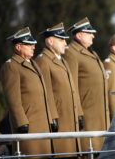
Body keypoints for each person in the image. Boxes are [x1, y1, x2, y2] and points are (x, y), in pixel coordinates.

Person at [0, 27, 55, 155]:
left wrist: (51, 119)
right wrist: (21, 122)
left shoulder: (33, 64)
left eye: (33, 44)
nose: (33, 47)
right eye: (29, 44)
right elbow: (13, 99)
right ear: (18, 47)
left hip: (43, 126)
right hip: (29, 127)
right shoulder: (11, 66)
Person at [35, 23, 84, 156]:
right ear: (50, 41)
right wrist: (52, 118)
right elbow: (47, 93)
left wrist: (79, 113)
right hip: (60, 120)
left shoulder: (63, 61)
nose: (65, 43)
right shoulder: (43, 61)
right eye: (61, 39)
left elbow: (72, 91)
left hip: (70, 119)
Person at [63, 17, 110, 151]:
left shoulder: (92, 53)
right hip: (87, 117)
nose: (93, 36)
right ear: (79, 35)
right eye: (89, 33)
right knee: (89, 152)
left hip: (99, 116)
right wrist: (78, 113)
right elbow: (71, 87)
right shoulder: (71, 53)